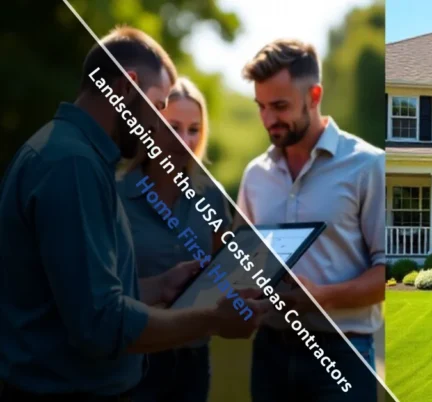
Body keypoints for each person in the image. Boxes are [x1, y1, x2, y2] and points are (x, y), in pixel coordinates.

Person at [0, 27, 260, 402]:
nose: (156, 126)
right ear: (125, 88)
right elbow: (101, 324)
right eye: (156, 108)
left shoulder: (73, 154)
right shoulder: (73, 165)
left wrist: (159, 286)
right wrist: (212, 319)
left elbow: (77, 293)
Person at [236, 39, 385, 401]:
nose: (269, 119)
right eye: (261, 107)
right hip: (269, 354)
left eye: (280, 106)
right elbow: (243, 264)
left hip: (344, 356)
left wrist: (323, 297)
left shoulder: (368, 166)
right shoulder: (254, 175)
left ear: (314, 95)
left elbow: (389, 271)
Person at [117, 77, 229, 402]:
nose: (185, 140)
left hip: (193, 360)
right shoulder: (116, 193)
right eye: (173, 127)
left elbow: (223, 274)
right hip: (133, 362)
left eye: (194, 129)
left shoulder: (211, 196)